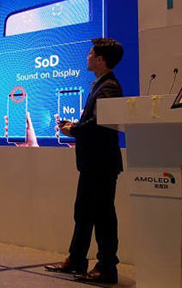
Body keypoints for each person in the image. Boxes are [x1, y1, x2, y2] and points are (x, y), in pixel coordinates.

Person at [45, 37, 124, 284]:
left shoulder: (108, 87)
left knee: (102, 216)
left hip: (101, 164)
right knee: (84, 213)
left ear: (100, 59)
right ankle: (76, 259)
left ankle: (107, 267)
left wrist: (74, 130)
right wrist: (76, 126)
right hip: (93, 164)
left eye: (91, 54)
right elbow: (95, 122)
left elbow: (100, 124)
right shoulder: (101, 85)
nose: (87, 57)